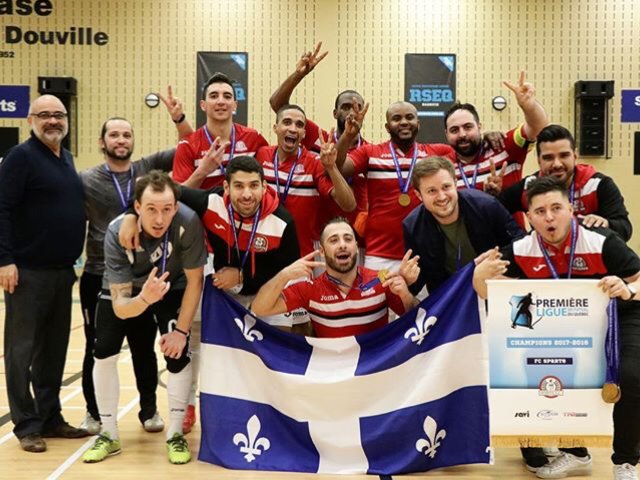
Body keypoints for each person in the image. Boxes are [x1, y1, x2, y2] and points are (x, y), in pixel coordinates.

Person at [474, 176, 640, 480]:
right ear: (529, 217)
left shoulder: (602, 240)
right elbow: (487, 289)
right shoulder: (522, 248)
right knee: (555, 374)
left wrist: (626, 288)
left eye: (556, 208)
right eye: (539, 211)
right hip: (566, 325)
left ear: (571, 209)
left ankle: (626, 462)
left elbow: (638, 279)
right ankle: (576, 454)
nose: (549, 217)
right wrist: (479, 275)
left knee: (632, 377)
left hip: (621, 317)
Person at [83, 171, 206, 464]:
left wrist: (181, 332)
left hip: (171, 285)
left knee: (178, 354)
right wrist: (144, 299)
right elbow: (120, 307)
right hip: (130, 293)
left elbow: (194, 282)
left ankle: (175, 434)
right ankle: (109, 434)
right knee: (103, 352)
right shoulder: (116, 232)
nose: (159, 219)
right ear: (136, 208)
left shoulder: (187, 222)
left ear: (175, 208)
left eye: (166, 209)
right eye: (151, 209)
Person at [78, 107, 188, 435]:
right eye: (114, 134)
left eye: (127, 134)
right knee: (96, 346)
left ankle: (149, 410)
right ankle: (94, 412)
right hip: (100, 271)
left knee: (143, 344)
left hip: (143, 274)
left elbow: (187, 144)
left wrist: (180, 118)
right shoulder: (86, 179)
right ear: (102, 141)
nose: (121, 140)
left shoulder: (145, 169)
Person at [0, 94, 89, 452]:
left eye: (59, 115)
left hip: (61, 272)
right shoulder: (19, 158)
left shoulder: (65, 157)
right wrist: (5, 260)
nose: (53, 121)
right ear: (30, 120)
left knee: (53, 351)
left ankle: (51, 418)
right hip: (26, 272)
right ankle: (26, 425)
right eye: (45, 115)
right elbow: (2, 210)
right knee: (21, 351)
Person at [251, 217, 420, 337]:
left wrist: (405, 294)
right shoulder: (310, 289)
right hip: (333, 377)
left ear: (356, 246)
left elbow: (417, 319)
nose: (342, 245)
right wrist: (284, 275)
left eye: (348, 239)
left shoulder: (381, 281)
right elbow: (260, 308)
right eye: (333, 240)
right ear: (322, 251)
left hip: (375, 371)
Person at [335, 101, 451, 271]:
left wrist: (491, 137)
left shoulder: (438, 153)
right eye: (396, 118)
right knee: (377, 298)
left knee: (421, 299)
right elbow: (337, 168)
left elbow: (471, 151)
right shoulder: (370, 153)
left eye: (409, 117)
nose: (404, 122)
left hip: (422, 254)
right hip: (379, 254)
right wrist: (347, 135)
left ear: (418, 124)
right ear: (387, 127)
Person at [268, 41, 370, 233]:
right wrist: (299, 74)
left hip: (356, 236)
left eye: (356, 107)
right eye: (345, 107)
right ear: (334, 112)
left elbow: (339, 167)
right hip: (320, 233)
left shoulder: (369, 151)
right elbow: (279, 105)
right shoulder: (318, 137)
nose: (350, 112)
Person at [403, 156, 523, 295]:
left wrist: (497, 259)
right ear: (419, 195)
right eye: (432, 191)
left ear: (455, 183)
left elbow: (520, 243)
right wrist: (408, 280)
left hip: (494, 288)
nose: (441, 196)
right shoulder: (412, 226)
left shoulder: (486, 205)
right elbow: (418, 282)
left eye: (446, 187)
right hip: (451, 298)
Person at [500, 124, 632, 241]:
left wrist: (607, 224)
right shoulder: (528, 187)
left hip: (591, 264)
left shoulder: (598, 185)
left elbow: (625, 229)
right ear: (539, 161)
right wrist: (518, 239)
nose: (557, 164)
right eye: (548, 158)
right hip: (544, 264)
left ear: (575, 156)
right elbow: (492, 214)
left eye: (564, 155)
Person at [255, 104, 356, 256]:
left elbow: (349, 205)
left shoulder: (314, 163)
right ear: (276, 128)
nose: (293, 129)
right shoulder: (261, 155)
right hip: (263, 251)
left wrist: (331, 168)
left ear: (303, 134)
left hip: (301, 256)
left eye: (299, 125)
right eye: (287, 122)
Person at [444, 71, 548, 195]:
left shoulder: (503, 145)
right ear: (446, 134)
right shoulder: (444, 167)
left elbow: (538, 126)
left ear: (480, 127)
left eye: (468, 127)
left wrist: (529, 106)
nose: (462, 134)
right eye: (454, 130)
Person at [172, 72, 268, 189]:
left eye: (227, 96)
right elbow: (178, 196)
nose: (221, 101)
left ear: (235, 105)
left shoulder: (253, 138)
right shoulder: (187, 145)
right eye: (213, 96)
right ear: (203, 105)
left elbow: (266, 180)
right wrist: (202, 171)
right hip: (204, 207)